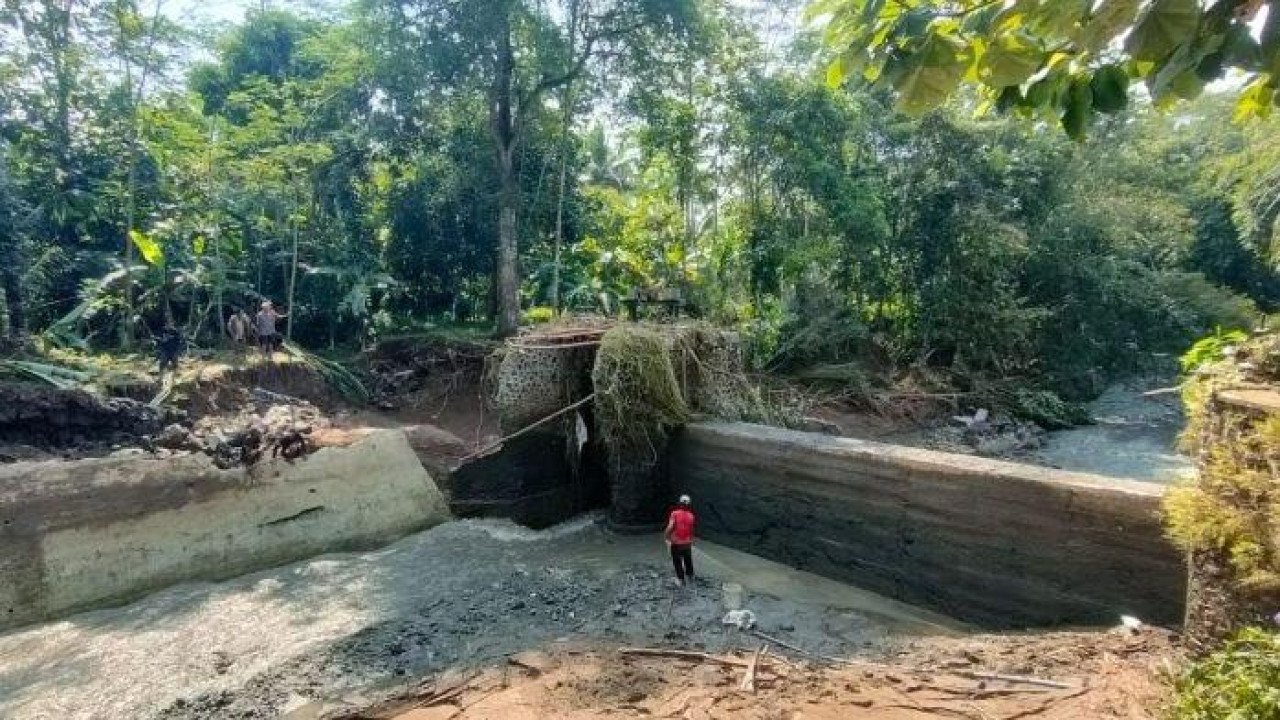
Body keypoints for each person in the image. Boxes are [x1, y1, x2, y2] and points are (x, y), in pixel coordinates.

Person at [664, 494, 697, 587]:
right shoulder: (691, 516)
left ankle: (681, 580)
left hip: (677, 544)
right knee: (688, 560)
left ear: (680, 503)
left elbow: (670, 527)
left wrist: (666, 537)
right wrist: (691, 541)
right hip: (687, 543)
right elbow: (692, 531)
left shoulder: (674, 513)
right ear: (689, 505)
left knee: (677, 562)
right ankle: (691, 577)